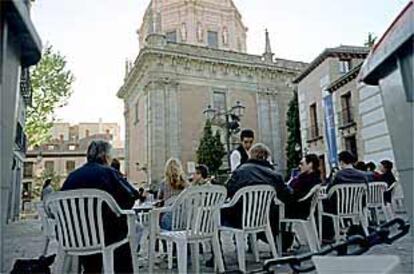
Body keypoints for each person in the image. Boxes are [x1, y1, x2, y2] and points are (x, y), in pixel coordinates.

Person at [61, 140, 139, 274]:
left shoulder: (72, 177)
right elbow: (130, 197)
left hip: (74, 237)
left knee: (91, 231)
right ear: (105, 156)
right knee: (125, 229)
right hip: (105, 236)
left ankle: (92, 270)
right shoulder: (109, 173)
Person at [223, 143, 292, 234]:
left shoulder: (240, 171)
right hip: (266, 217)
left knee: (220, 212)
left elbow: (227, 191)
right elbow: (287, 195)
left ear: (250, 155)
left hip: (240, 216)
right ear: (267, 157)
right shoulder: (275, 175)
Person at [284, 154, 322, 219]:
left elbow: (294, 193)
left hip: (297, 209)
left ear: (310, 164)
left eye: (302, 164)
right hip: (306, 209)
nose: (299, 166)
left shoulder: (305, 180)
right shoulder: (316, 179)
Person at [157, 157, 189, 230]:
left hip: (169, 221)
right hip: (185, 221)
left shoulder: (164, 184)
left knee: (155, 221)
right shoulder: (186, 185)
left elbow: (159, 201)